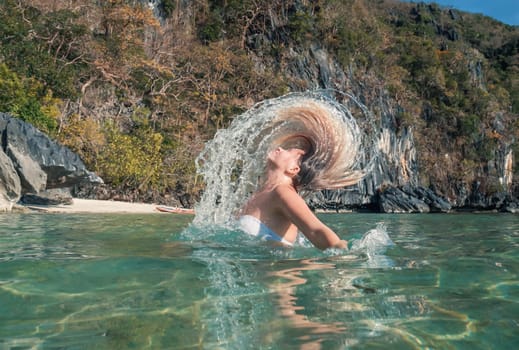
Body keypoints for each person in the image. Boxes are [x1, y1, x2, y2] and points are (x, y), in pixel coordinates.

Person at [239, 142, 348, 250]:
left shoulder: (283, 192)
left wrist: (342, 256)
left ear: (293, 169)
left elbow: (316, 230)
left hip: (275, 266)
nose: (280, 148)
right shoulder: (261, 192)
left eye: (289, 151)